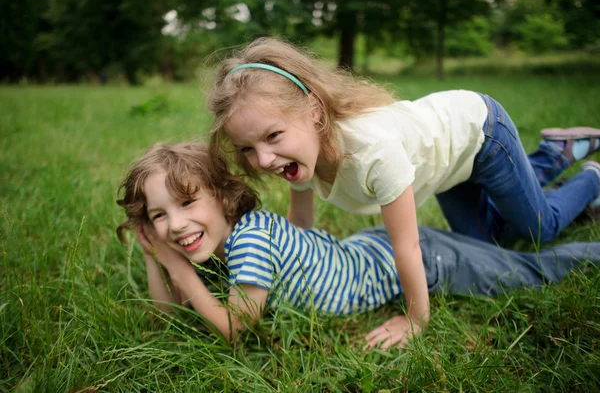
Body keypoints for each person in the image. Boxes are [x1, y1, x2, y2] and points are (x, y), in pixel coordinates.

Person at [206, 37, 600, 348]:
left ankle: (590, 176)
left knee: (539, 229)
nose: (263, 160)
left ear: (314, 111)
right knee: (493, 242)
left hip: (480, 135)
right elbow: (301, 227)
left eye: (273, 136)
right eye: (247, 149)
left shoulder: (373, 154)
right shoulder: (299, 158)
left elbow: (407, 248)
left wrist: (415, 318)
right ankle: (553, 155)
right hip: (446, 169)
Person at [116, 142, 600, 346]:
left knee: (528, 269)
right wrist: (154, 257)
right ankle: (571, 176)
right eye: (159, 215)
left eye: (186, 204)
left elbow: (234, 328)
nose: (176, 225)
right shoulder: (217, 241)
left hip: (419, 261)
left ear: (223, 199)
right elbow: (172, 318)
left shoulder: (250, 243)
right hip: (371, 251)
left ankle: (590, 178)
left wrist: (178, 270)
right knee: (504, 238)